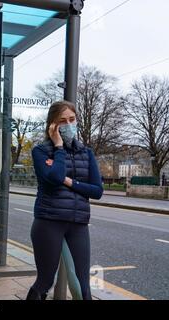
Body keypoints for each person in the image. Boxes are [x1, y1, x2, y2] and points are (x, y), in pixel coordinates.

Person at [26, 101, 103, 300]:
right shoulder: (41, 151)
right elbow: (53, 178)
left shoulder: (86, 153)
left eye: (72, 119)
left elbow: (96, 191)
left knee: (82, 285)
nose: (69, 124)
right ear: (52, 125)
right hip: (48, 222)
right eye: (62, 121)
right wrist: (59, 147)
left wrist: (69, 181)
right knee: (45, 281)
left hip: (78, 224)